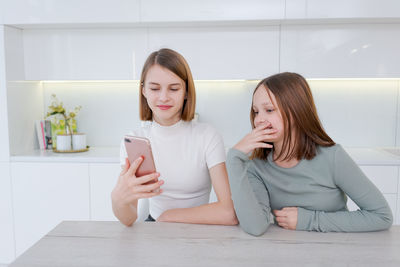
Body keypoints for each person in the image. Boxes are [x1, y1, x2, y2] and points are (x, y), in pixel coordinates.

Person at [226, 72, 393, 235]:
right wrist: (234, 158)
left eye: (269, 110)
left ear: (297, 111)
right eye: (256, 111)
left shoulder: (332, 157)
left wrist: (309, 220)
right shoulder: (255, 167)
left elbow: (381, 216)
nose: (259, 120)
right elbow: (255, 227)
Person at [111, 48, 238, 226]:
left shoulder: (207, 136)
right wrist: (117, 200)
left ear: (186, 91)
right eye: (155, 88)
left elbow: (229, 212)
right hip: (156, 230)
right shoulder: (135, 140)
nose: (163, 97)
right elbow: (128, 218)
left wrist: (168, 216)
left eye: (174, 88)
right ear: (144, 91)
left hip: (198, 229)